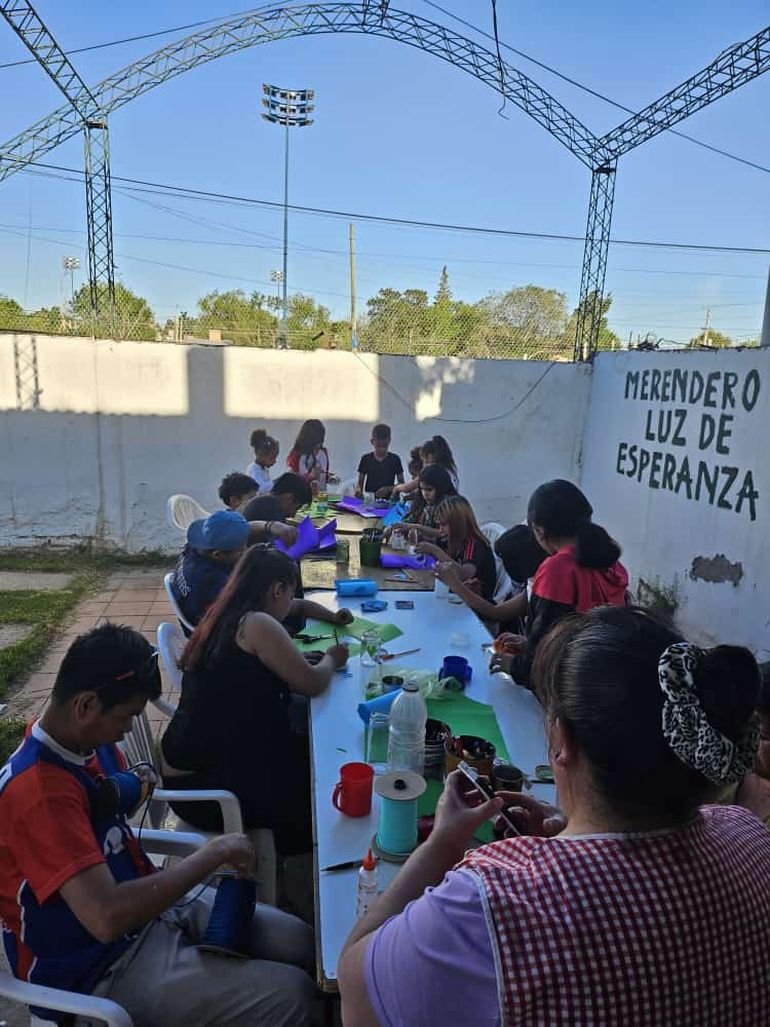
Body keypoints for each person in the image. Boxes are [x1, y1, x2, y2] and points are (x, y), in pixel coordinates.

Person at [338, 605, 770, 1027]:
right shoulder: (750, 837)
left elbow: (355, 993)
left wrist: (442, 845)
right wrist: (572, 835)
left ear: (561, 739)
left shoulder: (495, 906)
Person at [0, 624, 316, 1026]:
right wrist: (210, 855)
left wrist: (133, 783)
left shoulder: (79, 746)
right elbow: (106, 917)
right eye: (127, 716)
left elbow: (140, 776)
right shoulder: (40, 795)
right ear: (85, 705)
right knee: (295, 997)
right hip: (100, 968)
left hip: (150, 916)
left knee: (301, 941)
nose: (130, 729)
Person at [161, 547, 349, 857]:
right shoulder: (258, 624)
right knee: (321, 792)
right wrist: (331, 658)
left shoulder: (230, 609)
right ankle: (299, 872)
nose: (289, 603)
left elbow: (295, 609)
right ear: (276, 590)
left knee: (314, 753)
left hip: (192, 768)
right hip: (204, 791)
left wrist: (313, 636)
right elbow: (313, 684)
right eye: (287, 594)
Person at [490, 479, 628, 686]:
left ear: (539, 530)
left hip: (568, 685)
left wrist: (514, 664)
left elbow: (544, 663)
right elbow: (577, 631)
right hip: (605, 676)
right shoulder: (609, 563)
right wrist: (530, 645)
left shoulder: (558, 569)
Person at [170, 510, 296, 628]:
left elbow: (245, 529)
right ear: (218, 554)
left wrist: (269, 525)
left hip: (207, 618)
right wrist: (304, 606)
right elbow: (265, 610)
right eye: (241, 551)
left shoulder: (195, 550)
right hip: (221, 635)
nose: (246, 551)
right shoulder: (213, 582)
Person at [436, 524, 547, 629]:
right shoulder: (528, 583)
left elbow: (495, 613)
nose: (503, 566)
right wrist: (477, 594)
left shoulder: (536, 587)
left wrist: (455, 585)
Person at [416, 494, 497, 602]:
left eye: (443, 525)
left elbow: (465, 574)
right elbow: (433, 541)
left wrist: (435, 551)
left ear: (457, 524)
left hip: (476, 604)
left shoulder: (474, 544)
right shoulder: (454, 538)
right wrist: (417, 534)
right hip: (459, 596)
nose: (440, 530)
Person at [386, 465, 457, 542]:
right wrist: (397, 527)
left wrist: (415, 527)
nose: (425, 494)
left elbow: (444, 534)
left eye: (429, 489)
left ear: (441, 487)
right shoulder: (424, 503)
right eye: (422, 489)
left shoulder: (448, 506)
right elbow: (409, 520)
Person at [240, 472, 313, 524]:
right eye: (296, 509)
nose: (293, 515)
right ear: (289, 498)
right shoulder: (273, 508)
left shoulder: (266, 500)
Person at [355, 423, 404, 498]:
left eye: (384, 446)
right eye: (378, 446)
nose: (381, 449)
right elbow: (360, 483)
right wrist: (358, 491)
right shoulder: (366, 459)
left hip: (389, 500)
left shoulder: (395, 459)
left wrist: (388, 489)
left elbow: (402, 483)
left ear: (389, 441)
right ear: (372, 441)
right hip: (370, 499)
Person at [286, 419, 335, 484]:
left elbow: (323, 477)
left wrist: (329, 478)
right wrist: (309, 477)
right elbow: (290, 480)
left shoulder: (322, 453)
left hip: (320, 492)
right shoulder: (296, 454)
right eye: (314, 446)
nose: (316, 451)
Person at [246, 428, 280, 493]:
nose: (275, 461)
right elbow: (261, 488)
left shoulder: (262, 469)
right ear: (261, 455)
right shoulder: (254, 470)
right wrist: (276, 482)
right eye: (272, 458)